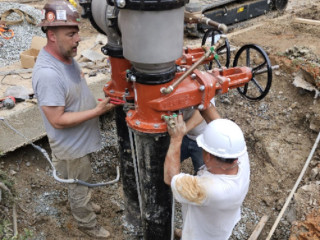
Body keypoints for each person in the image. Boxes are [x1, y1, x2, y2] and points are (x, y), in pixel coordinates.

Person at [32, 0, 114, 238]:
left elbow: (73, 94)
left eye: (77, 32)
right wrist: (97, 112)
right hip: (72, 145)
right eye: (71, 34)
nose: (78, 39)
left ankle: (83, 201)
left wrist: (95, 102)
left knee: (81, 179)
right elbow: (57, 119)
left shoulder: (66, 56)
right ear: (51, 35)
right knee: (79, 183)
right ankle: (86, 222)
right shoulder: (48, 73)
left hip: (79, 139)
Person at [164, 115, 250, 240]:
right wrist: (205, 101)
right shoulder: (240, 156)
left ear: (208, 156)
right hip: (220, 225)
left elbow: (170, 178)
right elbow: (220, 127)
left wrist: (176, 139)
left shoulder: (210, 189)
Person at [181, 99, 220, 173]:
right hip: (184, 137)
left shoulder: (203, 89)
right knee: (170, 159)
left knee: (203, 170)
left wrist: (182, 131)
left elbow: (202, 112)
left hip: (202, 142)